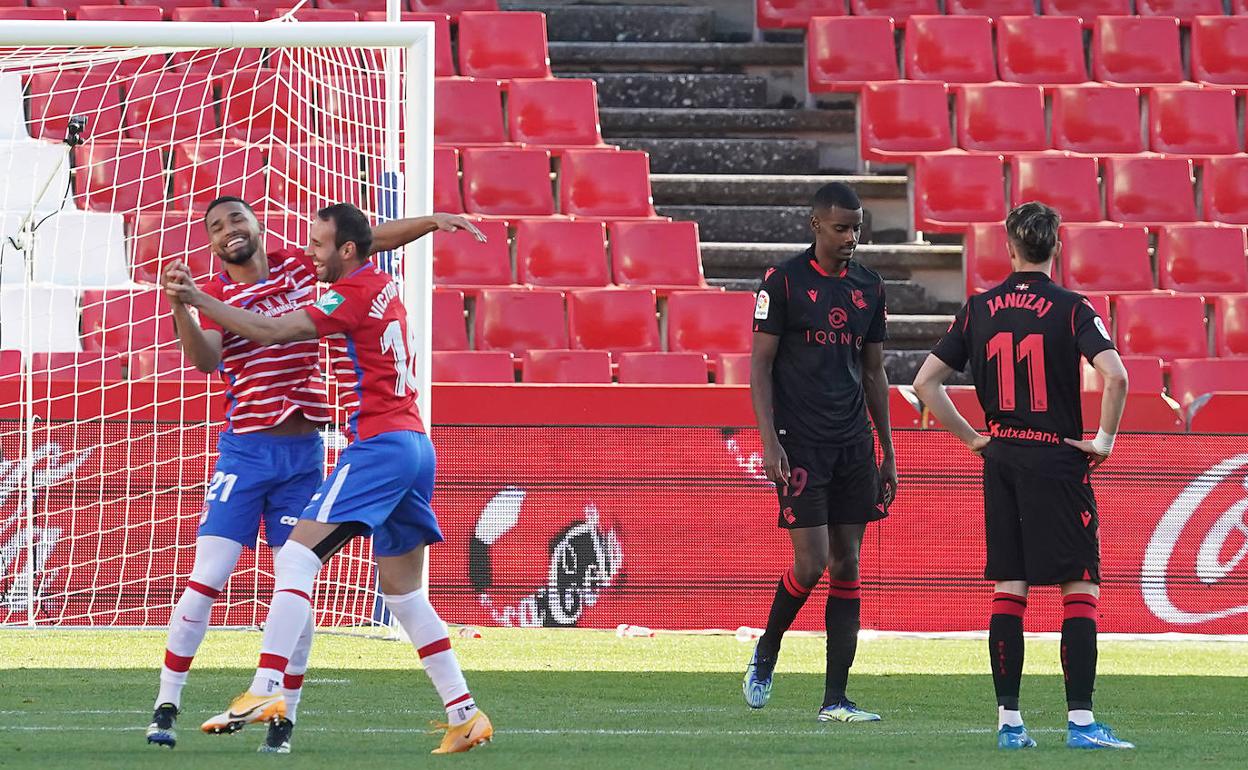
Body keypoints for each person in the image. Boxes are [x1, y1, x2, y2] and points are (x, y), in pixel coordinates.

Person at [146, 197, 482, 754]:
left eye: (320, 246)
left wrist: (195, 296)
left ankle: (266, 689)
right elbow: (209, 356)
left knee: (298, 560)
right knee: (403, 596)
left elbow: (276, 331)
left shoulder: (327, 284)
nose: (311, 252)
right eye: (216, 225)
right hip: (409, 443)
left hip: (370, 444)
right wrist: (432, 221)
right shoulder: (369, 281)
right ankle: (464, 712)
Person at [912, 202, 1134, 751]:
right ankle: (1081, 724)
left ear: (1008, 248)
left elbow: (925, 384)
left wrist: (973, 439)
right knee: (1078, 585)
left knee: (1010, 586)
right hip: (1056, 459)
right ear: (1057, 247)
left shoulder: (979, 308)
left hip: (1003, 459)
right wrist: (1103, 439)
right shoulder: (1072, 308)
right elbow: (1116, 376)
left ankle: (1010, 724)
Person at [743, 182, 897, 722]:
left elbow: (875, 372)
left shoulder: (870, 288)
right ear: (815, 225)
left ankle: (835, 699)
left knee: (847, 562)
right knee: (809, 565)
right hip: (801, 442)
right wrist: (769, 441)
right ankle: (768, 649)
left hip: (853, 443)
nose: (851, 238)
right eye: (841, 228)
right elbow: (760, 365)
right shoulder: (782, 282)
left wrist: (888, 452)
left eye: (857, 228)